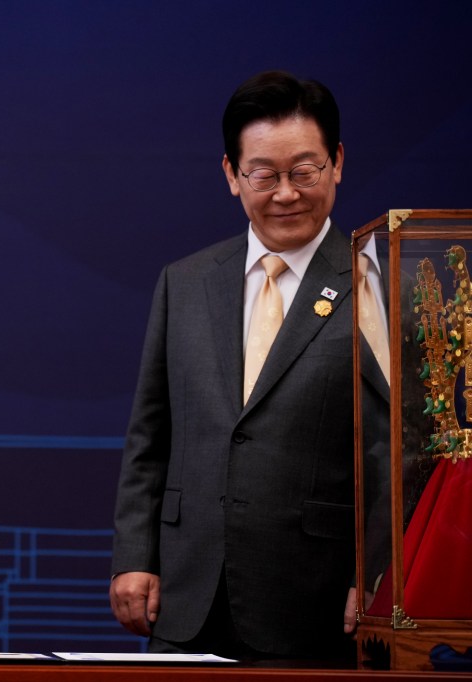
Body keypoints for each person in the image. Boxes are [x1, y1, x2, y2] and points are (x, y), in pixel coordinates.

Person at [109, 70, 359, 661]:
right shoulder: (185, 281)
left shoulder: (376, 286)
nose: (285, 193)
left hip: (316, 605)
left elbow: (399, 457)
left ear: (337, 163)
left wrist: (383, 575)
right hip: (185, 599)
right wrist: (135, 557)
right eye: (263, 174)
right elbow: (151, 434)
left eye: (303, 171)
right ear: (231, 174)